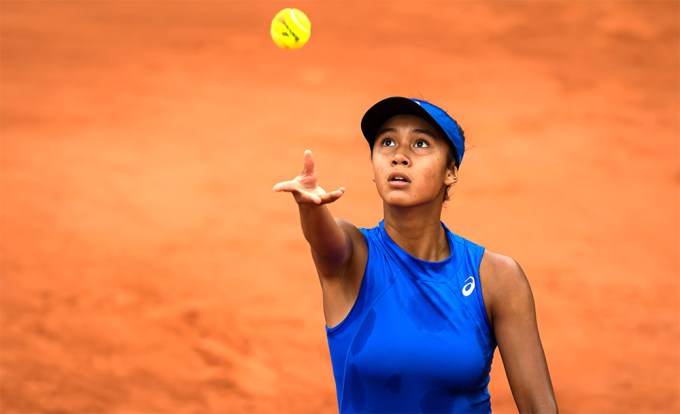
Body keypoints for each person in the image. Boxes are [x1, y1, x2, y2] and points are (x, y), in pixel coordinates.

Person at [273, 96, 557, 413]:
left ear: (451, 171)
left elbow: (539, 406)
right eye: (388, 142)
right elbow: (324, 240)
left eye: (420, 144)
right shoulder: (352, 258)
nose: (399, 156)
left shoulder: (497, 278)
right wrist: (309, 209)